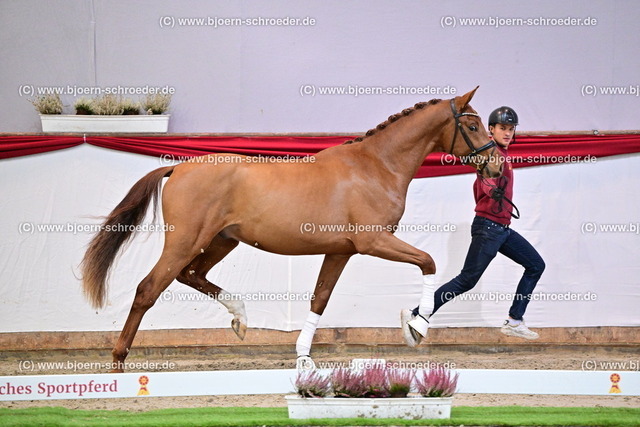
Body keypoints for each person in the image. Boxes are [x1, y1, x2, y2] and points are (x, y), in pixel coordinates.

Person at [401, 106, 545, 346]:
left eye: (511, 129)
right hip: (488, 228)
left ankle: (514, 320)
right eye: (503, 128)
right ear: (491, 130)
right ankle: (417, 313)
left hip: (501, 229)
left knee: (536, 265)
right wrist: (491, 189)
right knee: (466, 280)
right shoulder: (490, 154)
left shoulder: (503, 154)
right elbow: (485, 179)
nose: (507, 133)